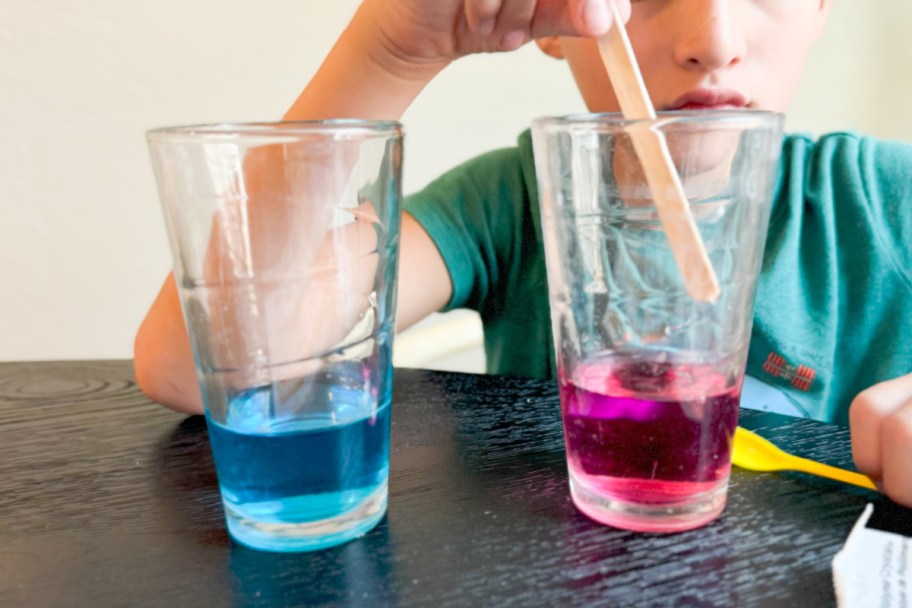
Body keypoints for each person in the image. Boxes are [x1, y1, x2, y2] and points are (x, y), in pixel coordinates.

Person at [134, 0, 912, 507]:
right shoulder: (512, 201)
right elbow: (202, 368)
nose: (712, 40)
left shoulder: (886, 201)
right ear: (559, 24)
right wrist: (388, 51)